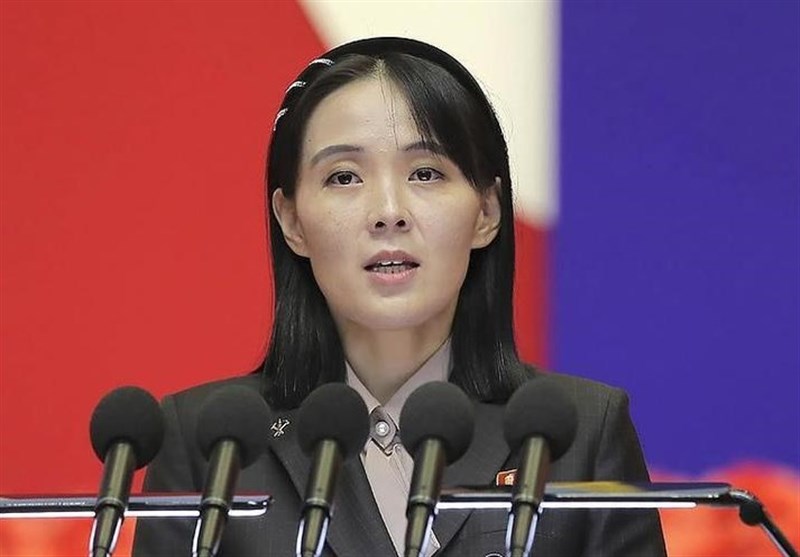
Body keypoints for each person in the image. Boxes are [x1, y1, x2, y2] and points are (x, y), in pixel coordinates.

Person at [133, 37, 666, 556]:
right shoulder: (209, 444)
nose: (389, 212)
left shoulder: (583, 432)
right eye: (344, 177)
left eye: (426, 173)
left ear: (487, 212)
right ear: (291, 220)